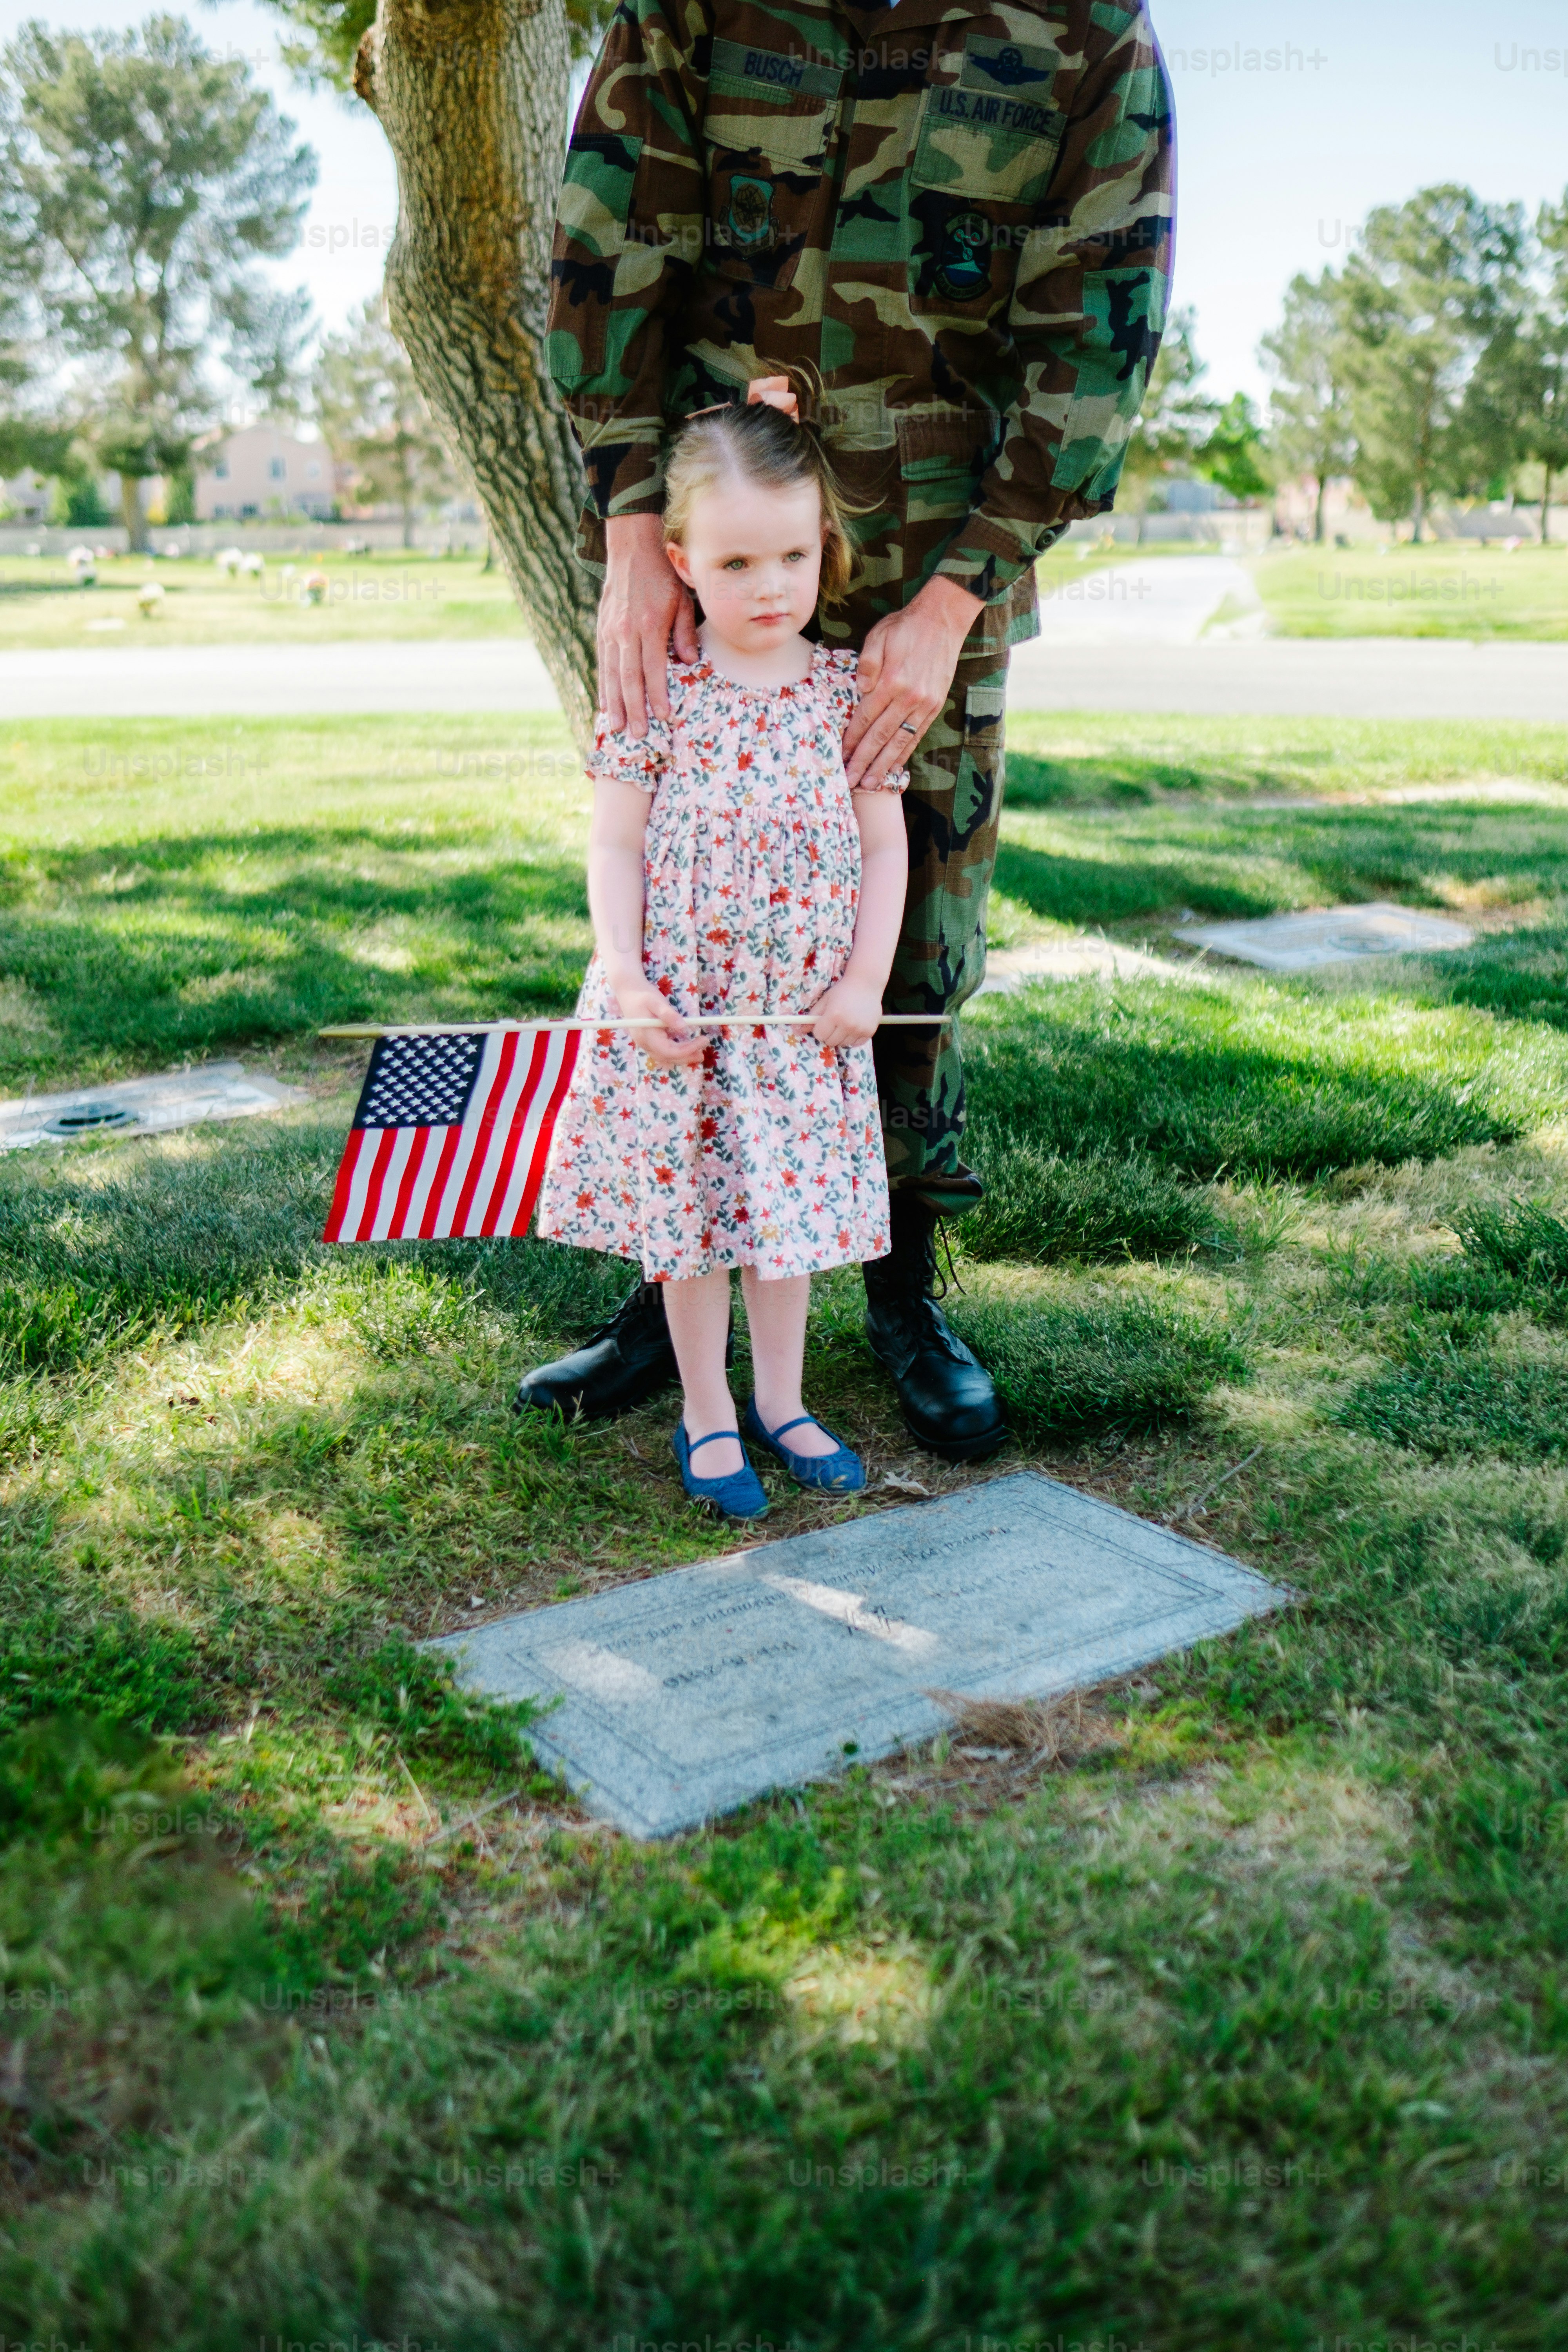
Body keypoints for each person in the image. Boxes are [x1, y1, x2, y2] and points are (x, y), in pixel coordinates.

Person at [520, 0, 1176, 1459]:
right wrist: (636, 524)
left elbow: (1099, 326)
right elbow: (612, 239)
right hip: (721, 523)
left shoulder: (1079, 30)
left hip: (934, 548)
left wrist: (957, 598)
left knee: (911, 930)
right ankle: (670, 1285)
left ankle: (898, 1285)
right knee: (690, 907)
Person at [533, 394, 910, 1522]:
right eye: (738, 560)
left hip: (798, 1018)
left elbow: (886, 848)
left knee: (782, 1225)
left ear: (824, 549)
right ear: (682, 558)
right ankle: (706, 1407)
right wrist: (625, 975)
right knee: (693, 1223)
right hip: (685, 1017)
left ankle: (783, 1400)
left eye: (793, 555)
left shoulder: (845, 694)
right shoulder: (658, 689)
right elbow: (615, 838)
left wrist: (863, 983)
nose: (770, 587)